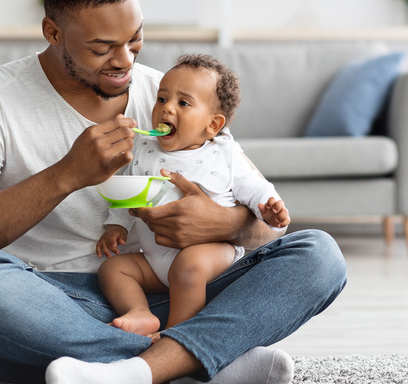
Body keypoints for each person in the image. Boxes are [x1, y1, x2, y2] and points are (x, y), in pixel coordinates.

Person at [0, 0, 347, 384]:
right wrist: (67, 174)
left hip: (175, 292)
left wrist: (221, 224)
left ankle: (125, 368)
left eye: (134, 39)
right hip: (52, 303)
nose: (125, 61)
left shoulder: (171, 96)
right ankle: (194, 361)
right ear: (52, 31)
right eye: (102, 47)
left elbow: (267, 225)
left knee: (319, 255)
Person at [96, 54, 290, 340]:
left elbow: (254, 188)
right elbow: (130, 191)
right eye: (162, 99)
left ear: (212, 125)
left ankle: (177, 337)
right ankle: (139, 312)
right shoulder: (144, 148)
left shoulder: (223, 154)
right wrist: (116, 226)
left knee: (189, 267)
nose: (167, 109)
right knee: (114, 269)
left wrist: (269, 209)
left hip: (211, 256)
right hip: (155, 262)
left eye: (183, 103)